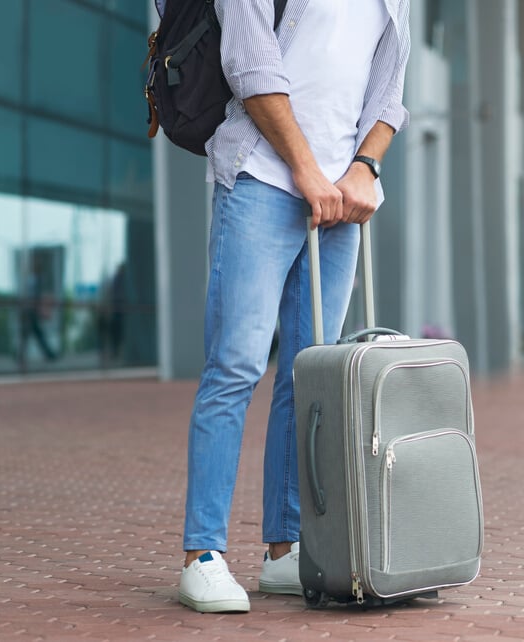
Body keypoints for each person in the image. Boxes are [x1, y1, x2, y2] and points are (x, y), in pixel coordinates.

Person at [177, 0, 410, 614]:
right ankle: (201, 555)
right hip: (263, 178)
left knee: (309, 381)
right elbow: (249, 62)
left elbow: (391, 88)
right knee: (235, 366)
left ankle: (284, 551)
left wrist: (363, 168)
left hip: (344, 200)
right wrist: (307, 170)